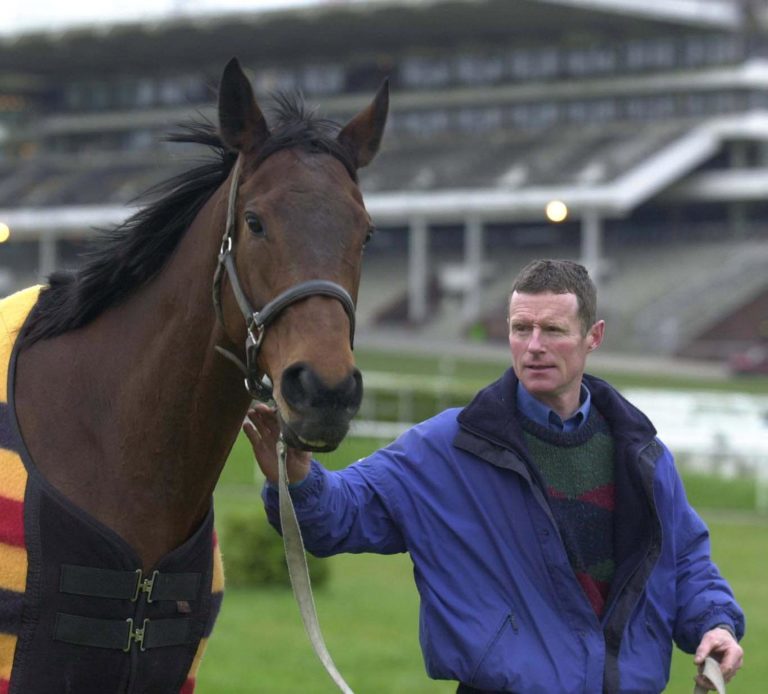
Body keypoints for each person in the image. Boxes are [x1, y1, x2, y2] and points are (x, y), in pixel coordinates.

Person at [245, 259, 745, 693]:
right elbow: (339, 515)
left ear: (593, 337)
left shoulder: (644, 456)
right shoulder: (445, 447)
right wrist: (297, 476)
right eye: (519, 328)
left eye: (552, 330)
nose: (533, 346)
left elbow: (686, 564)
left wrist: (714, 623)